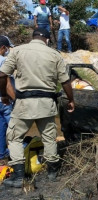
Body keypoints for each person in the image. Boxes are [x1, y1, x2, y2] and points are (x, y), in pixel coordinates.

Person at [0, 28, 75, 188]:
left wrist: (4, 96)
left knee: (14, 137)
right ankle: (52, 173)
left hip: (24, 104)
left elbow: (2, 75)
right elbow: (66, 81)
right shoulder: (54, 54)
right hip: (46, 104)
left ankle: (19, 176)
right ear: (47, 39)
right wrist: (71, 100)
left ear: (32, 37)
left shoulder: (18, 51)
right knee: (49, 137)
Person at [0, 36, 15, 166]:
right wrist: (16, 99)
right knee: (15, 127)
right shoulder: (4, 60)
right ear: (3, 48)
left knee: (1, 127)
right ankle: (19, 153)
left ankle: (1, 154)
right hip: (4, 101)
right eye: (7, 48)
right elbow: (7, 84)